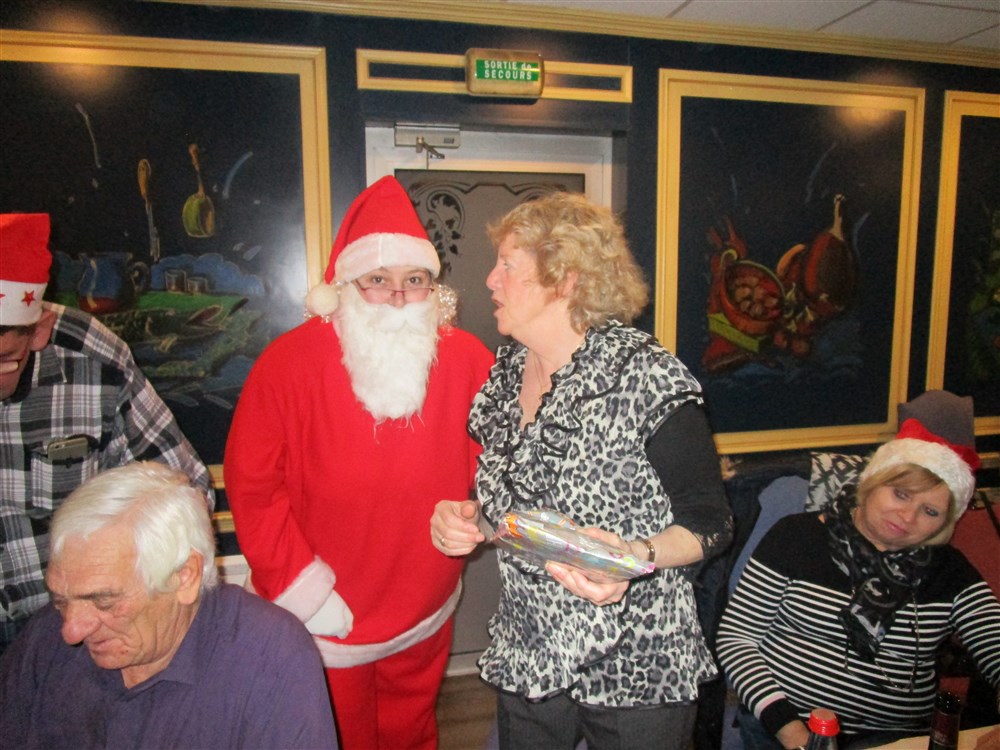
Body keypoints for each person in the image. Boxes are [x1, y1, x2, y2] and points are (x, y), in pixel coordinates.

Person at [431, 191, 733, 750]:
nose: (490, 280)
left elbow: (711, 523)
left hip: (638, 658)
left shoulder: (645, 377)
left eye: (508, 265)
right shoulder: (504, 376)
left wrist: (633, 556)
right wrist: (468, 520)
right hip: (531, 650)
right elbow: (510, 509)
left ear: (566, 279)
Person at [224, 175, 494, 750]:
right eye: (378, 280)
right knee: (332, 738)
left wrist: (479, 514)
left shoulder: (467, 359)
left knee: (412, 734)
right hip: (327, 612)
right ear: (347, 285)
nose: (398, 297)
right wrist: (301, 587)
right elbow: (253, 488)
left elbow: (499, 463)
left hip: (425, 603)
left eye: (414, 280)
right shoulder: (287, 364)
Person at [0, 461, 338, 749]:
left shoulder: (270, 657)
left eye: (103, 601)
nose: (71, 631)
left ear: (184, 578)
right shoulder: (44, 637)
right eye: (60, 600)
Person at [717, 417, 1000, 749]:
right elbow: (737, 638)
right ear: (872, 483)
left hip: (896, 738)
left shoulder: (949, 570)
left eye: (930, 511)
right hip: (785, 724)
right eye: (901, 494)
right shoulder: (796, 536)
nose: (908, 516)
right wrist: (789, 729)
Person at [0, 212, 211, 655]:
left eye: (4, 359)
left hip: (74, 627)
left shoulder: (90, 357)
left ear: (39, 331)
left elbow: (186, 490)